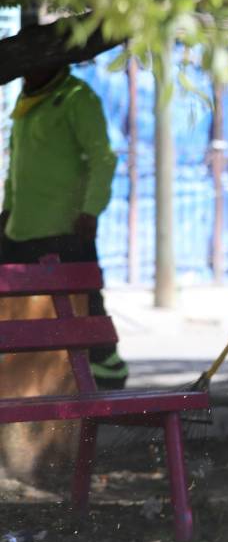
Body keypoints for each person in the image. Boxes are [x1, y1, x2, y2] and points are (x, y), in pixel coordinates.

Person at [1, 68, 126, 388]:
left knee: (84, 307)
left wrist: (91, 210)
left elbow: (103, 159)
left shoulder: (77, 97)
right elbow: (18, 165)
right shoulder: (27, 100)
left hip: (65, 227)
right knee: (22, 314)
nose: (24, 73)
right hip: (20, 226)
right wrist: (8, 211)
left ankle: (106, 376)